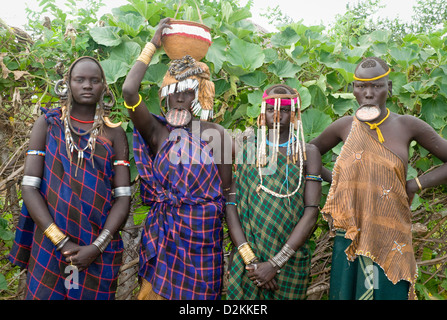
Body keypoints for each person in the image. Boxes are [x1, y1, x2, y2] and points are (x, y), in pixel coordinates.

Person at [310, 57, 447, 300]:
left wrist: (416, 184)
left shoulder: (406, 125)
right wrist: (338, 182)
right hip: (350, 232)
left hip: (391, 232)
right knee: (348, 291)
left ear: (389, 87)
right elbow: (309, 155)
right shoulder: (344, 127)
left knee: (387, 292)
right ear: (353, 89)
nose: (369, 93)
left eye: (377, 85)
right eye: (361, 86)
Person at [122, 18, 232, 300]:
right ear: (165, 95)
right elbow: (129, 92)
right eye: (175, 93)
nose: (180, 100)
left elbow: (227, 193)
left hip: (203, 238)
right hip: (165, 235)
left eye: (188, 93)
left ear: (201, 96)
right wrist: (153, 43)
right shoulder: (157, 132)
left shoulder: (216, 134)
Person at [9, 56, 131, 300]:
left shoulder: (114, 133)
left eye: (94, 80)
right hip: (51, 240)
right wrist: (61, 241)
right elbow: (30, 187)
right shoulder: (47, 124)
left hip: (96, 243)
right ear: (67, 85)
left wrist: (97, 246)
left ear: (104, 88)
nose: (87, 85)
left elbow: (123, 197)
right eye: (80, 80)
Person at [226, 84, 322, 299]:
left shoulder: (308, 153)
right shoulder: (246, 148)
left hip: (290, 262)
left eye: (285, 110)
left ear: (295, 114)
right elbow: (231, 207)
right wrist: (251, 261)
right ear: (263, 113)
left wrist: (274, 264)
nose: (277, 115)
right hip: (248, 263)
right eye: (271, 109)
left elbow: (311, 212)